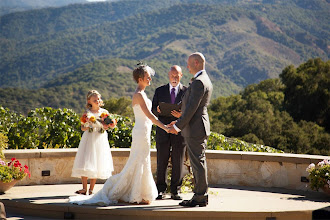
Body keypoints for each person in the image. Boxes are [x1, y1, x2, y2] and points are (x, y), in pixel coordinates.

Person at [69, 64, 169, 205]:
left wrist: (160, 115)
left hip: (144, 131)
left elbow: (150, 115)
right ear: (140, 79)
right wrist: (165, 127)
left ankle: (140, 192)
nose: (150, 78)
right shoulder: (139, 95)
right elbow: (150, 116)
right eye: (148, 76)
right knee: (138, 161)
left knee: (142, 161)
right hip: (141, 132)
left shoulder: (142, 94)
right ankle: (133, 192)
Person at [168, 52, 213, 207]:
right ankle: (201, 195)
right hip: (197, 126)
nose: (187, 66)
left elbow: (192, 109)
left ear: (196, 63)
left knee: (197, 163)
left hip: (195, 128)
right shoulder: (203, 79)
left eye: (188, 63)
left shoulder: (199, 82)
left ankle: (200, 196)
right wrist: (180, 119)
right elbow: (192, 107)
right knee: (198, 162)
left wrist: (176, 126)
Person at [152, 65, 187, 200]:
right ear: (168, 75)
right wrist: (158, 111)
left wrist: (181, 115)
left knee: (178, 160)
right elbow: (152, 109)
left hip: (179, 130)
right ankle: (160, 190)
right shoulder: (159, 90)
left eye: (177, 75)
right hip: (163, 129)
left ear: (181, 76)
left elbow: (190, 111)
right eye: (172, 75)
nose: (174, 78)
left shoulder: (187, 91)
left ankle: (175, 191)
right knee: (162, 160)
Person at [71, 90, 114, 196]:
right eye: (95, 99)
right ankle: (84, 188)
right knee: (85, 161)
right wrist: (87, 125)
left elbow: (107, 126)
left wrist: (108, 125)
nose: (97, 101)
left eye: (98, 99)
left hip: (100, 139)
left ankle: (91, 189)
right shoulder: (87, 113)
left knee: (97, 162)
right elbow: (82, 127)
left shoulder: (104, 112)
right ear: (89, 101)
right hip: (89, 138)